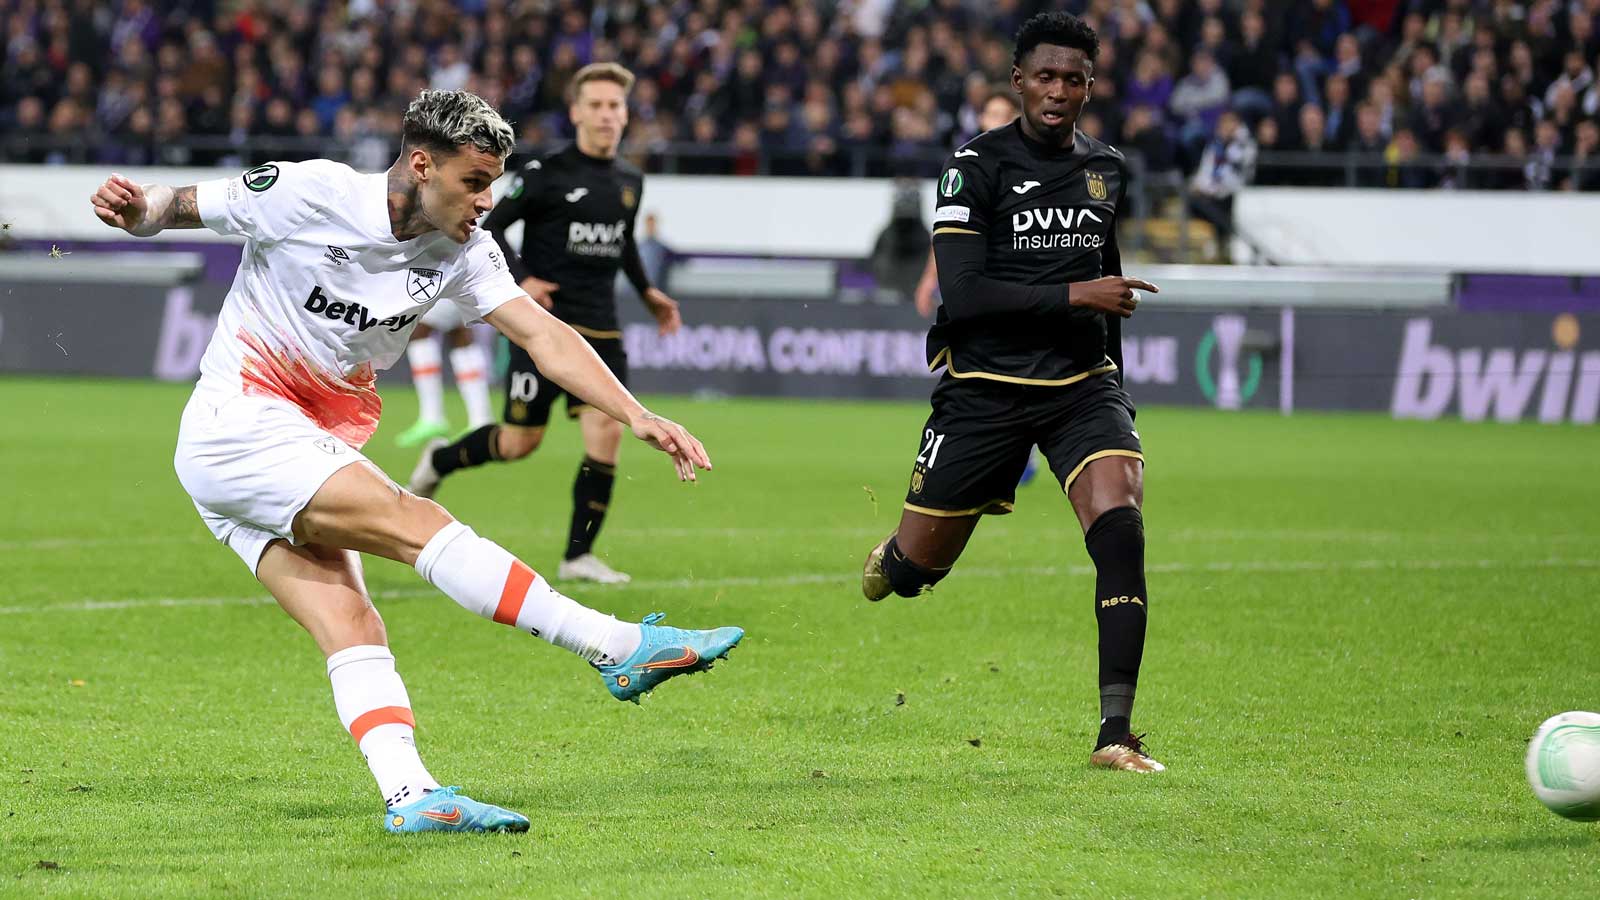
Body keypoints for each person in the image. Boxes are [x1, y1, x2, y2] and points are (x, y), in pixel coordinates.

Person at [89, 89, 743, 834]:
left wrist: (636, 413)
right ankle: (615, 645)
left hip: (286, 445)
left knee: (352, 620)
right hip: (241, 422)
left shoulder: (464, 248)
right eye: (473, 182)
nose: (487, 201)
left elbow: (543, 334)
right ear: (422, 165)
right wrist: (135, 208)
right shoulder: (311, 192)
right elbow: (175, 205)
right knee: (416, 523)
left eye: (493, 182)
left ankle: (411, 796)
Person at [860, 12, 1164, 774]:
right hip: (983, 391)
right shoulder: (974, 168)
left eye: (1075, 79)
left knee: (1121, 527)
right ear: (1018, 81)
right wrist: (1075, 296)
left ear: (1091, 87)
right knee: (917, 572)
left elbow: (1110, 286)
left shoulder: (1106, 169)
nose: (1059, 91)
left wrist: (1115, 383)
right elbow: (963, 295)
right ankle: (893, 559)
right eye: (1046, 76)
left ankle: (1115, 734)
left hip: (1078, 388)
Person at [410, 64, 682, 586]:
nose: (607, 115)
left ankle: (578, 555)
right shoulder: (544, 173)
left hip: (602, 328)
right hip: (543, 327)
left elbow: (622, 242)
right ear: (577, 111)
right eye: (597, 105)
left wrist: (647, 293)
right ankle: (442, 458)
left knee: (607, 435)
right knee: (519, 443)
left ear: (625, 114)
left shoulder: (630, 180)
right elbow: (490, 229)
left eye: (615, 106)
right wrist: (524, 278)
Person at [392, 304, 493, 448]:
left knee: (419, 329)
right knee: (458, 332)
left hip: (446, 283)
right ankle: (481, 419)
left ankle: (432, 417)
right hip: (461, 285)